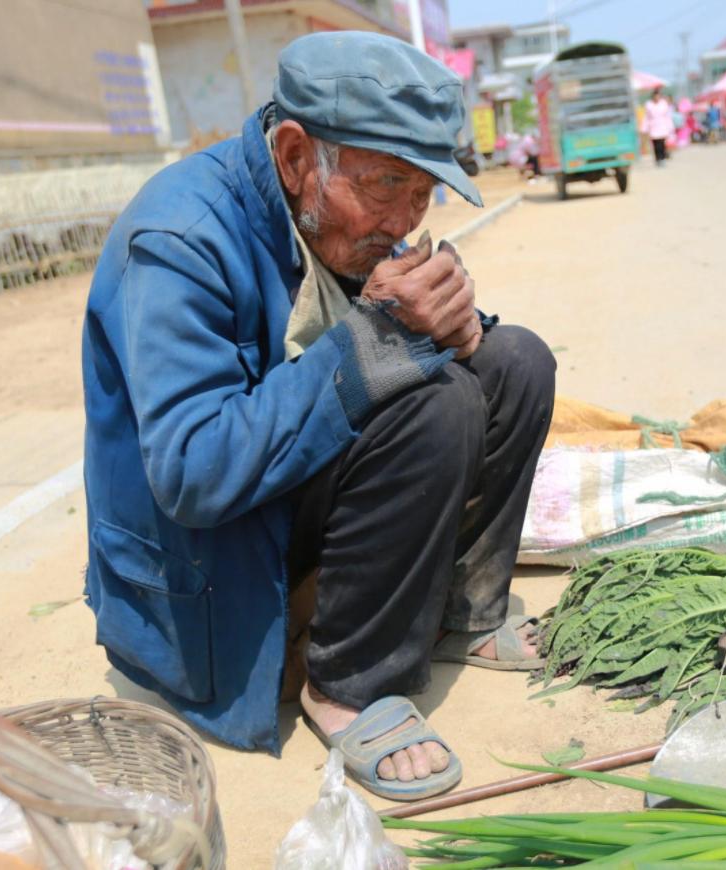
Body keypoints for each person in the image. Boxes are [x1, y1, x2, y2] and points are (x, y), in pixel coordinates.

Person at [81, 32, 555, 800]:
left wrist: (453, 328)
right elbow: (195, 473)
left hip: (281, 483)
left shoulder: (330, 215)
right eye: (384, 185)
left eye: (422, 191)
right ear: (297, 157)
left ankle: (462, 612)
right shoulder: (179, 239)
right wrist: (387, 341)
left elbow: (350, 343)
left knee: (515, 361)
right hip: (207, 556)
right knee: (433, 407)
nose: (402, 222)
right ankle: (349, 687)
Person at [642, 87, 675, 165]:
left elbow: (667, 116)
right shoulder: (649, 105)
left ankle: (662, 158)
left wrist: (670, 126)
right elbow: (647, 117)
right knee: (656, 144)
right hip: (653, 126)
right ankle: (658, 158)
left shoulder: (663, 104)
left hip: (662, 126)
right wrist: (644, 128)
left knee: (662, 143)